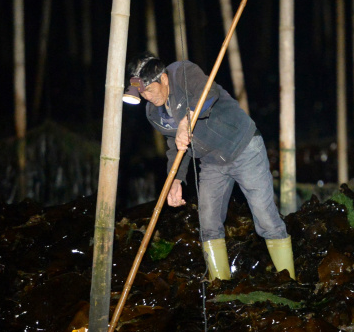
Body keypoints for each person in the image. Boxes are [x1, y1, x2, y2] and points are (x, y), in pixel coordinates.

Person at [124, 52, 295, 281]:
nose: (146, 97)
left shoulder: (183, 72)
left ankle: (291, 281)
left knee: (265, 219)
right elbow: (175, 145)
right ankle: (220, 287)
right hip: (212, 162)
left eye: (149, 90)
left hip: (243, 147)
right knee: (208, 223)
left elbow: (209, 93)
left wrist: (186, 120)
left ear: (163, 79)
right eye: (141, 93)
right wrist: (175, 179)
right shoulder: (153, 113)